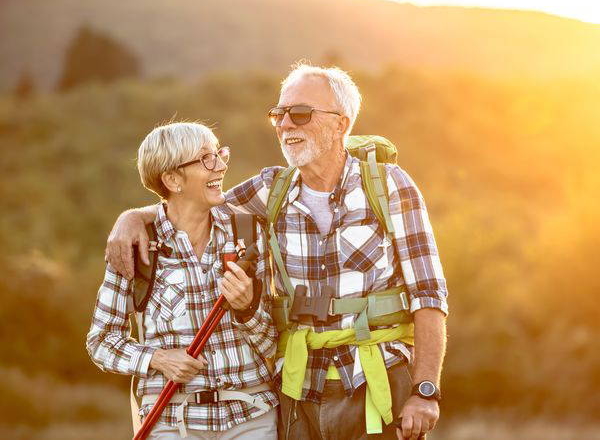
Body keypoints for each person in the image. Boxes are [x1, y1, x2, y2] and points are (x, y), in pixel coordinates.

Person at [106, 65, 448, 440]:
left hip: (379, 384)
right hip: (298, 391)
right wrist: (132, 216)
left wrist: (424, 391)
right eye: (278, 114)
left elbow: (428, 294)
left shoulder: (390, 186)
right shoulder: (271, 189)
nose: (285, 124)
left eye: (299, 113)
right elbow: (191, 205)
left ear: (341, 123)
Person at [86, 122, 278, 439]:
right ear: (173, 179)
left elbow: (273, 343)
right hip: (172, 421)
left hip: (252, 416)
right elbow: (101, 342)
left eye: (219, 153)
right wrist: (157, 359)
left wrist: (248, 309)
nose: (221, 164)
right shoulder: (135, 245)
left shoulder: (248, 232)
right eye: (206, 158)